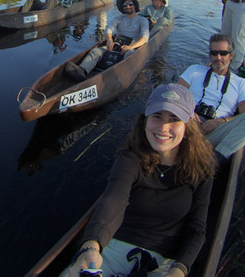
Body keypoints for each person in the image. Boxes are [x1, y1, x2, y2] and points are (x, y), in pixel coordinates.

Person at [63, 83, 215, 277]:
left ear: (187, 126)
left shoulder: (201, 170)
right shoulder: (130, 159)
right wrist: (91, 246)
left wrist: (179, 269)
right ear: (145, 120)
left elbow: (196, 229)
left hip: (165, 261)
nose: (163, 127)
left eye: (174, 119)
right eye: (157, 116)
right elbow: (113, 201)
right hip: (113, 248)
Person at [178, 33, 245, 165]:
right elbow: (175, 94)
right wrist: (188, 112)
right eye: (214, 53)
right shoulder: (194, 70)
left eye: (223, 53)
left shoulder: (241, 83)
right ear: (210, 55)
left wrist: (221, 122)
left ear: (231, 55)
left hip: (214, 133)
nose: (218, 57)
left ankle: (215, 160)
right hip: (186, 125)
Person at [65, 0, 149, 82]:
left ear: (135, 6)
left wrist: (131, 47)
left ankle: (120, 77)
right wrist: (109, 40)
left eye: (130, 4)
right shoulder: (118, 18)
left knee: (130, 54)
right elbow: (108, 30)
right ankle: (82, 71)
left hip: (132, 46)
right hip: (117, 45)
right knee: (95, 51)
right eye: (125, 5)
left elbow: (145, 38)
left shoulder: (142, 20)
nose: (127, 6)